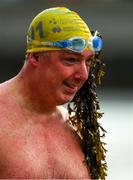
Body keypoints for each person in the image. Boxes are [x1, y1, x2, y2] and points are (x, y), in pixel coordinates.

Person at [0, 7, 107, 179]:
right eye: (71, 60)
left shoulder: (77, 127)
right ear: (36, 57)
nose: (84, 75)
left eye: (88, 61)